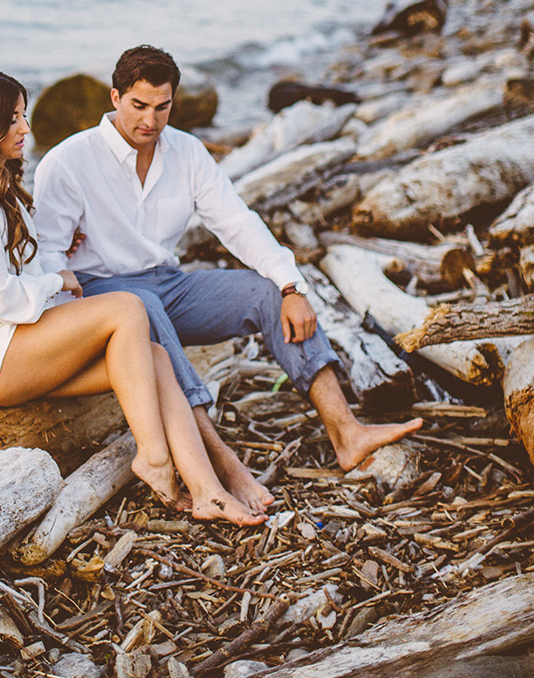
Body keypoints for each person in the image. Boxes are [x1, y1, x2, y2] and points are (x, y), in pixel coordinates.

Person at [32, 45, 419, 498]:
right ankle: (222, 462)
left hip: (168, 284)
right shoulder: (67, 161)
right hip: (101, 298)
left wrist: (291, 285)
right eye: (138, 106)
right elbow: (49, 256)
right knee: (141, 305)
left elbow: (236, 222)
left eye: (162, 107)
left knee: (270, 294)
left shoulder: (187, 151)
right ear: (115, 97)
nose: (150, 121)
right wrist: (73, 343)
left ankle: (346, 432)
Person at [0, 68, 264, 525]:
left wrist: (55, 262)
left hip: (19, 343)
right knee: (128, 305)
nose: (25, 129)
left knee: (154, 357)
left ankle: (207, 490)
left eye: (23, 116)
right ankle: (153, 458)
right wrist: (58, 281)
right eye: (13, 119)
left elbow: (20, 270)